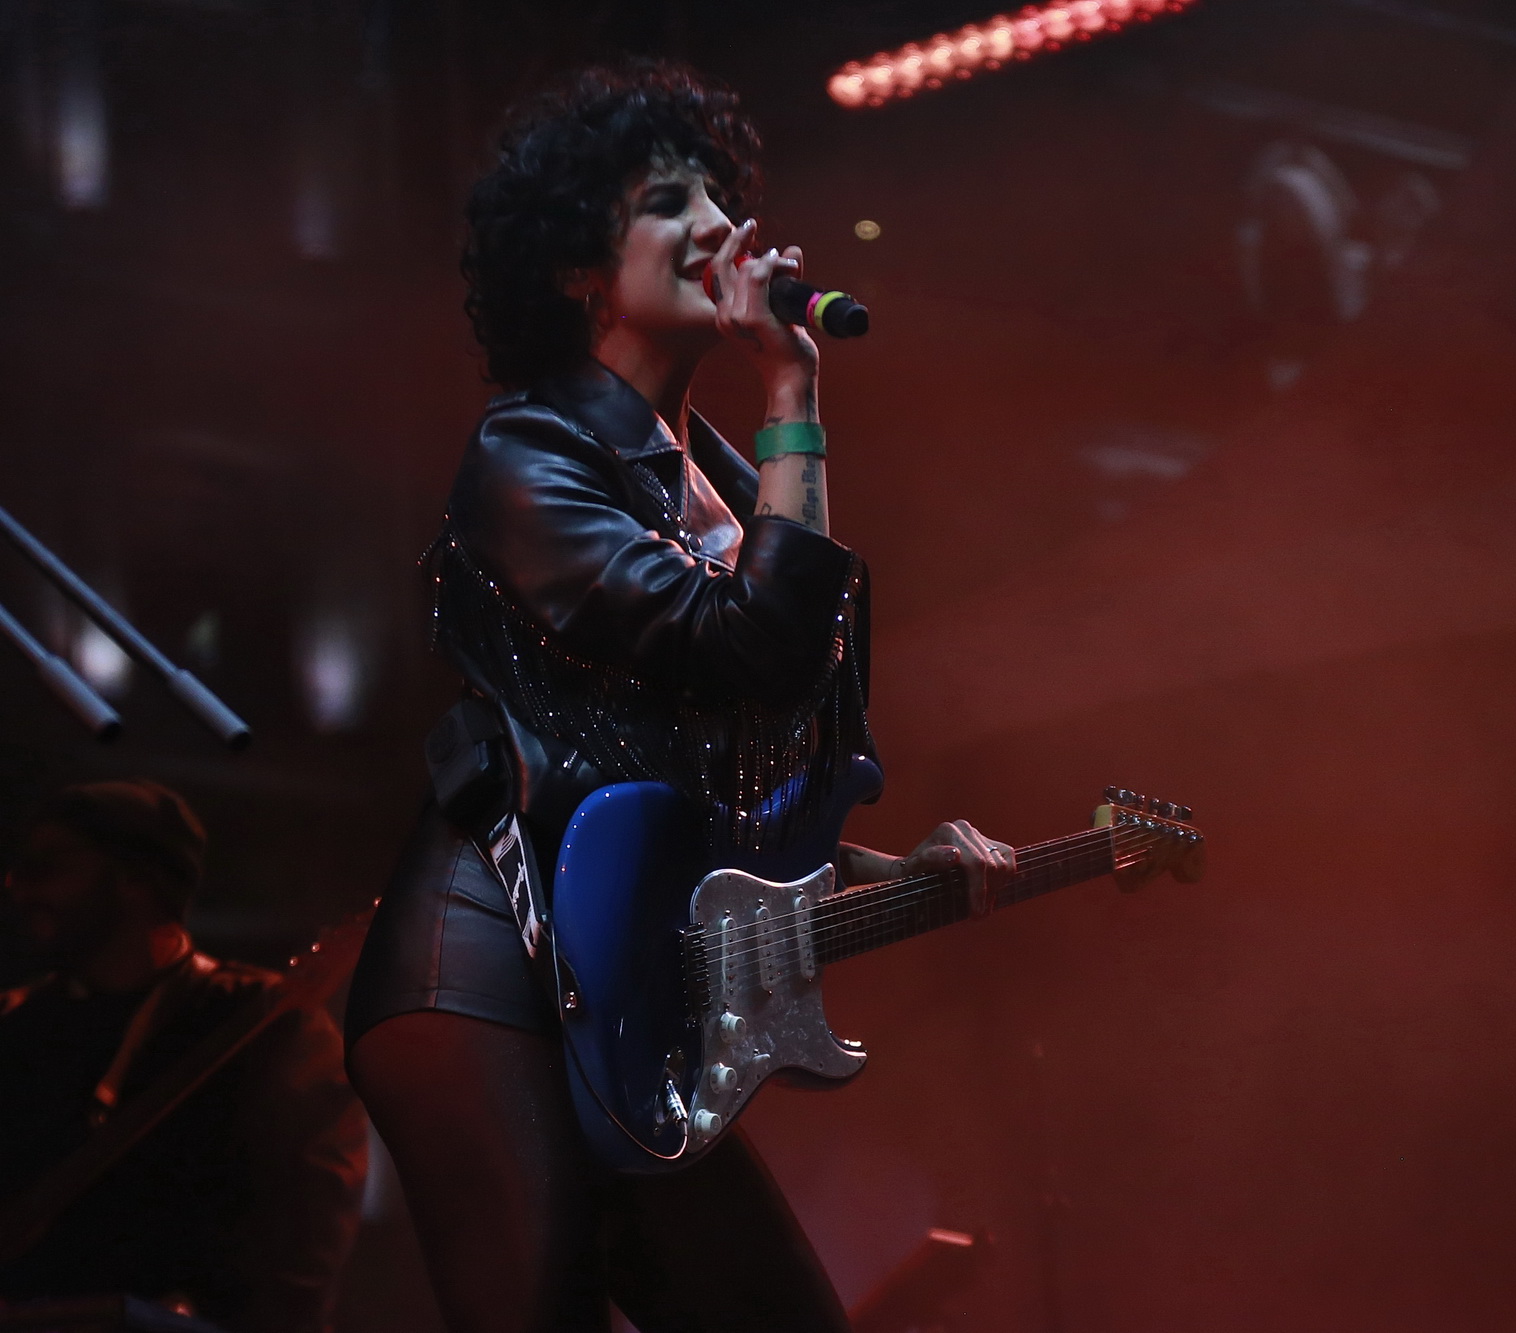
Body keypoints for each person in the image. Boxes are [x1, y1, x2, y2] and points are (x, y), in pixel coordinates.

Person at [342, 60, 1014, 1333]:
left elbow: (726, 784)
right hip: (484, 975)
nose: (717, 225)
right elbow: (749, 649)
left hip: (625, 976)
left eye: (718, 195)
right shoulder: (528, 455)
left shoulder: (724, 482)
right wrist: (792, 392)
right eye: (667, 203)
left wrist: (888, 870)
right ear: (576, 272)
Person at [0, 779, 366, 1333]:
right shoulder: (12, 1023)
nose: (17, 886)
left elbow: (298, 1253)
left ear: (135, 879)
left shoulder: (269, 1024)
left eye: (47, 866)